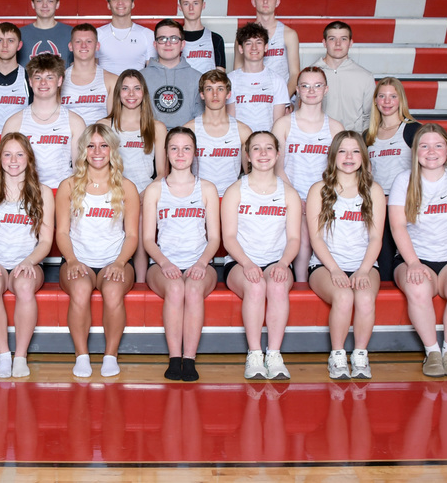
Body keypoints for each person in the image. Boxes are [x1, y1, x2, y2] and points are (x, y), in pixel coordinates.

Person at [389, 124, 447, 379]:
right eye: (424, 146)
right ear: (415, 151)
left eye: (438, 145)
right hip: (414, 258)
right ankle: (433, 353)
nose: (431, 151)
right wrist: (414, 263)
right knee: (417, 288)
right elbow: (397, 227)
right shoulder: (403, 181)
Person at [56, 123, 140, 378]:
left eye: (103, 145)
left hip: (114, 261)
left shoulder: (127, 187)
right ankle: (82, 356)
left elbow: (133, 235)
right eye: (91, 145)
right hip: (77, 260)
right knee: (80, 289)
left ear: (112, 150)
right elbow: (61, 232)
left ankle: (110, 355)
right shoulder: (68, 186)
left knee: (113, 291)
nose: (97, 151)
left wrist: (119, 263)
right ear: (83, 150)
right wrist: (71, 260)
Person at [0, 133, 55, 378]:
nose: (13, 160)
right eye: (7, 154)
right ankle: (3, 355)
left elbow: (46, 241)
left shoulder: (43, 192)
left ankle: (20, 356)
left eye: (19, 154)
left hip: (27, 262)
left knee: (25, 287)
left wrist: (29, 261)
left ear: (29, 158)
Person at [142, 126, 221, 382]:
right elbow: (147, 240)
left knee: (194, 289)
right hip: (163, 263)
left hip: (199, 260)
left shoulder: (207, 189)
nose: (180, 153)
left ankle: (190, 359)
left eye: (186, 148)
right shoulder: (155, 190)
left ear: (195, 153)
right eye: (174, 148)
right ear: (165, 153)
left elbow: (215, 238)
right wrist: (164, 263)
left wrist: (201, 263)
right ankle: (174, 358)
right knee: (176, 288)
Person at [222, 131, 301, 380]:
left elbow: (294, 239)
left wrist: (283, 263)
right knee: (256, 286)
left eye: (269, 148)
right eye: (256, 148)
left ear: (278, 155)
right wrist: (246, 263)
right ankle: (255, 354)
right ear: (247, 155)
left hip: (277, 260)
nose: (263, 154)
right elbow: (229, 238)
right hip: (239, 261)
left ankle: (274, 354)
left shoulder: (289, 193)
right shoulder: (235, 190)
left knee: (277, 286)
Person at [306, 132, 385, 380]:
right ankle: (337, 355)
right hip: (325, 266)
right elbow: (316, 238)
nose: (348, 157)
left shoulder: (374, 190)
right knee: (343, 296)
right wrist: (335, 270)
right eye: (342, 151)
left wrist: (363, 270)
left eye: (354, 151)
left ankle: (360, 354)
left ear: (363, 156)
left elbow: (375, 238)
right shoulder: (319, 189)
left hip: (364, 265)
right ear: (333, 156)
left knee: (363, 298)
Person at [272, 66, 344, 282]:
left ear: (326, 89)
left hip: (325, 198)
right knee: (302, 241)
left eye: (317, 86)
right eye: (305, 86)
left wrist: (318, 200)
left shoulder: (335, 127)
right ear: (297, 90)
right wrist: (297, 200)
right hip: (291, 197)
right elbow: (277, 167)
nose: (311, 91)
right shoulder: (284, 124)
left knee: (324, 241)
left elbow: (340, 170)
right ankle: (301, 287)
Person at [99, 69, 166, 282]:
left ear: (144, 93)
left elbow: (163, 172)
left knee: (138, 218)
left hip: (145, 192)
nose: (131, 94)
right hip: (111, 192)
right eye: (125, 88)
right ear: (118, 92)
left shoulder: (157, 127)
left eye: (137, 88)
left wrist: (145, 194)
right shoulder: (104, 125)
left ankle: (141, 283)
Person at [364, 77, 422, 280]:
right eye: (382, 96)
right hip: (378, 205)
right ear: (375, 101)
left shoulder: (413, 130)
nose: (387, 101)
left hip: (405, 205)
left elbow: (424, 171)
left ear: (401, 100)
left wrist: (399, 199)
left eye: (392, 96)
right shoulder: (368, 135)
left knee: (405, 262)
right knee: (382, 260)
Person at [2, 54, 85, 189]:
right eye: (38, 77)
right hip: (26, 193)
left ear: (59, 81)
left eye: (50, 77)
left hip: (62, 192)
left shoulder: (75, 122)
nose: (43, 83)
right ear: (30, 81)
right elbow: (4, 169)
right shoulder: (13, 123)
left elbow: (79, 170)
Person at [185, 69, 252, 195]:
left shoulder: (243, 131)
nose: (215, 94)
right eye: (209, 89)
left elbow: (251, 175)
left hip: (232, 198)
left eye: (220, 89)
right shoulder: (189, 130)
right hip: (198, 198)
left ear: (228, 94)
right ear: (202, 94)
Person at [236, 0, 300, 96]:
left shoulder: (289, 34)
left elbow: (295, 74)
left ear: (277, 2)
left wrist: (283, 99)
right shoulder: (243, 35)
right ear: (253, 2)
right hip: (251, 96)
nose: (265, 1)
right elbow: (237, 72)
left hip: (281, 96)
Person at [314, 21, 377, 132]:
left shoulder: (365, 76)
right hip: (319, 143)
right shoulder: (310, 75)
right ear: (324, 43)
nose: (338, 44)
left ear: (350, 43)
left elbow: (369, 116)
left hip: (353, 142)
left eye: (343, 39)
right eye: (332, 38)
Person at [142, 18, 203, 129]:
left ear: (182, 44)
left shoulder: (198, 78)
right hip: (150, 140)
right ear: (155, 45)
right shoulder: (140, 78)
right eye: (162, 39)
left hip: (185, 141)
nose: (168, 43)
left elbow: (200, 120)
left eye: (174, 39)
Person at [227, 22, 288, 133]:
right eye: (249, 43)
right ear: (241, 48)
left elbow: (278, 123)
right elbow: (230, 121)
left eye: (259, 42)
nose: (254, 48)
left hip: (268, 143)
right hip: (240, 142)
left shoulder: (277, 80)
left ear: (266, 47)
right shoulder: (230, 80)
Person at [96, 0, 156, 75]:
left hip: (136, 88)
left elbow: (152, 73)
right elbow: (92, 70)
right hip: (105, 89)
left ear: (132, 4)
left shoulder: (147, 34)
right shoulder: (97, 34)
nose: (120, 3)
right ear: (108, 5)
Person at [62, 23, 117, 125]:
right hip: (69, 138)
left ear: (97, 46)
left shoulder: (112, 80)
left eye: (89, 41)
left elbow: (113, 123)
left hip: (99, 138)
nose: (83, 45)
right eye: (78, 41)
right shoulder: (59, 80)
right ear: (70, 46)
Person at [18, 0, 73, 66]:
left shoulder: (71, 33)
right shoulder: (19, 34)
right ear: (33, 4)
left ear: (57, 4)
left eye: (50, 1)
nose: (44, 5)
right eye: (39, 1)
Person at [178, 0, 226, 74]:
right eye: (186, 3)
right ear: (180, 7)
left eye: (195, 3)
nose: (191, 8)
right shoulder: (174, 38)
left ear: (203, 5)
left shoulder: (215, 39)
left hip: (207, 87)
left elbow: (221, 76)